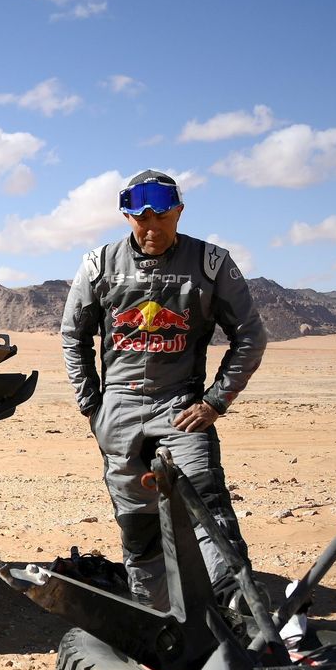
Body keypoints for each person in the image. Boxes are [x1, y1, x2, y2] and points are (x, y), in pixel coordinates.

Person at [60, 170, 266, 610]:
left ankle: (240, 612)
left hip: (181, 405)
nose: (152, 229)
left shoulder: (211, 263)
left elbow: (249, 335)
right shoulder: (98, 264)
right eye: (142, 220)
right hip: (118, 407)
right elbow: (73, 335)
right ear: (126, 216)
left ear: (179, 212)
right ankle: (154, 616)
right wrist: (91, 403)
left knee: (207, 508)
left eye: (163, 219)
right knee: (138, 524)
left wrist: (215, 401)